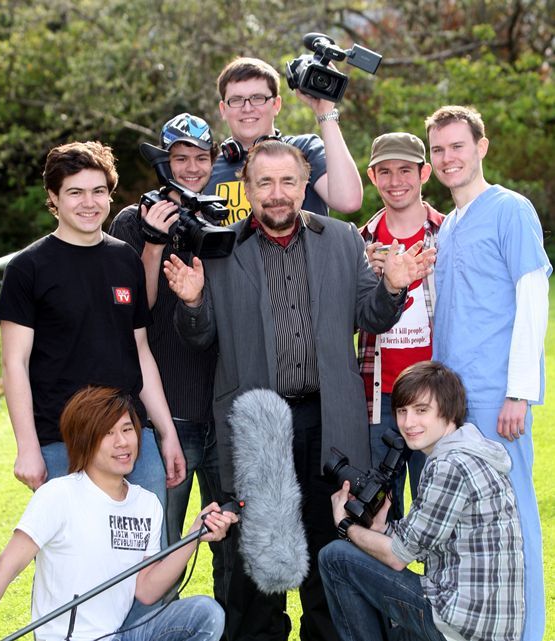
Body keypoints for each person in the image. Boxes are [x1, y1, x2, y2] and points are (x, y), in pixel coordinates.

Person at [164, 140, 435, 641]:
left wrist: (393, 287)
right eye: (264, 182)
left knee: (328, 550)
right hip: (256, 428)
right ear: (247, 189)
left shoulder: (341, 240)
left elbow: (369, 315)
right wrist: (195, 301)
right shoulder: (218, 249)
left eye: (288, 181)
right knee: (254, 568)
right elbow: (200, 338)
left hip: (327, 422)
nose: (277, 193)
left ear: (305, 184)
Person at [0, 141, 186, 622]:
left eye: (98, 191)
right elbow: (15, 365)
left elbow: (140, 351)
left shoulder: (124, 260)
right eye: (74, 192)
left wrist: (164, 432)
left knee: (147, 575)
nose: (88, 202)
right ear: (53, 198)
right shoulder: (28, 269)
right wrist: (27, 448)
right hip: (65, 442)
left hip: (129, 441)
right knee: (76, 570)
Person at [425, 105, 550, 641]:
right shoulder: (448, 225)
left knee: (513, 517)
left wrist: (519, 392)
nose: (449, 157)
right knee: (469, 528)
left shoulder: (510, 209)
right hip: (452, 404)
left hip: (497, 397)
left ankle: (525, 631)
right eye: (439, 149)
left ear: (482, 146)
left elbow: (532, 295)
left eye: (458, 145)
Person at [0, 385, 237, 641]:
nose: (122, 442)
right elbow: (4, 568)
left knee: (206, 614)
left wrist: (193, 537)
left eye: (126, 429)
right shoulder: (58, 495)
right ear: (85, 441)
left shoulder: (147, 503)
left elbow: (146, 589)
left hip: (119, 635)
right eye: (108, 433)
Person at [108, 113, 231, 606]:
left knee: (229, 535)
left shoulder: (221, 217)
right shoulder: (131, 220)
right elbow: (141, 306)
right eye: (180, 158)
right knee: (162, 540)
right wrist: (155, 244)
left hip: (220, 402)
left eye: (202, 158)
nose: (192, 168)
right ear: (164, 163)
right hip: (168, 403)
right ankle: (158, 625)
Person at [319, 360, 524, 641]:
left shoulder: (450, 465)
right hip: (483, 625)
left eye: (421, 410)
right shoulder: (468, 453)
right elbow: (421, 539)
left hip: (460, 626)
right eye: (402, 411)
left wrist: (345, 525)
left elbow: (397, 558)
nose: (408, 423)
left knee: (334, 557)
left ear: (449, 412)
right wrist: (380, 527)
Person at [358, 132, 444, 519]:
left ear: (424, 173)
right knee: (381, 512)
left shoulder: (449, 234)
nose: (396, 181)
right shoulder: (360, 243)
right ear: (372, 176)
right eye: (386, 171)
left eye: (406, 170)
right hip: (379, 398)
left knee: (438, 512)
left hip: (436, 396)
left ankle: (439, 582)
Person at [204, 56, 362, 223]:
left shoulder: (304, 150)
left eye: (258, 98)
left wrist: (325, 112)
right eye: (236, 100)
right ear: (223, 109)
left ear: (276, 105)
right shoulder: (207, 169)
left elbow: (348, 201)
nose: (247, 108)